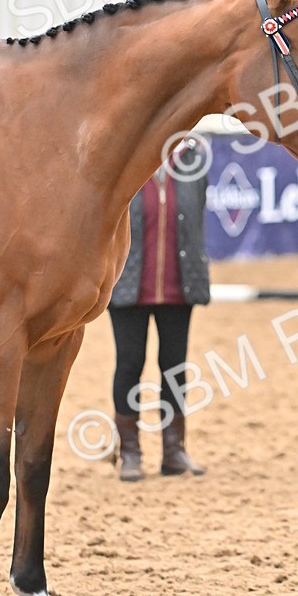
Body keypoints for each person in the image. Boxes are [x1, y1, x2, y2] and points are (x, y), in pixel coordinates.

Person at [109, 139, 211, 482]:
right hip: (128, 286)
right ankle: (130, 452)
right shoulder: (127, 154)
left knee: (175, 369)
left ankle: (173, 451)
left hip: (180, 286)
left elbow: (197, 217)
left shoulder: (194, 158)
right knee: (129, 365)